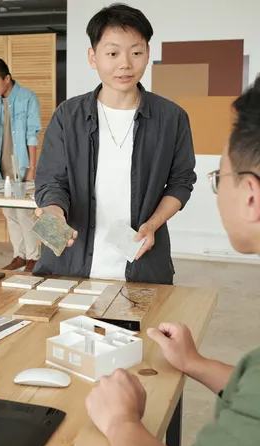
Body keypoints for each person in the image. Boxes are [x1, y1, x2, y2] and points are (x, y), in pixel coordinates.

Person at [85, 79, 260, 446]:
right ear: (94, 56)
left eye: (218, 178)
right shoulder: (73, 118)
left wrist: (121, 421)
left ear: (250, 194)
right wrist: (198, 363)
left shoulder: (167, 117)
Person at [34, 3, 196, 284]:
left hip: (143, 265)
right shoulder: (67, 116)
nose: (125, 64)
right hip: (70, 265)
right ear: (93, 57)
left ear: (147, 54)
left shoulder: (171, 118)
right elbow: (51, 181)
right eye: (112, 53)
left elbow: (181, 182)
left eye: (136, 52)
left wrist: (153, 224)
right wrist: (54, 213)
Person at [0, 58, 42, 272]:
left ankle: (33, 258)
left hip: (22, 166)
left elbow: (32, 136)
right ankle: (19, 255)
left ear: (6, 78)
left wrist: (32, 170)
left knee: (24, 214)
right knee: (9, 213)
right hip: (1, 168)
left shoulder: (28, 98)